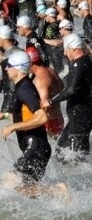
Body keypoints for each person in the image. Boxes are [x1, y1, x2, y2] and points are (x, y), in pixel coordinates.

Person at [43, 34, 92, 162]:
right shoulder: (89, 63)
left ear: (72, 48)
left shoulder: (79, 64)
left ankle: (90, 179)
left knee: (75, 159)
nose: (65, 54)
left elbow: (71, 90)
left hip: (79, 118)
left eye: (65, 50)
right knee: (61, 154)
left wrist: (50, 101)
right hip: (81, 117)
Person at [0, 51, 50, 192]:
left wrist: (12, 127)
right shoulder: (22, 87)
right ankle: (57, 190)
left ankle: (59, 189)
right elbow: (22, 114)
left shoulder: (25, 89)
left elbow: (42, 117)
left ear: (18, 68)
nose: (5, 69)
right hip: (38, 148)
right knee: (26, 190)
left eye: (9, 66)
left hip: (36, 148)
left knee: (9, 181)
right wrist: (4, 116)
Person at [27, 46, 65, 139]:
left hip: (48, 123)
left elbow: (45, 105)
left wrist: (32, 124)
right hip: (58, 119)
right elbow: (62, 87)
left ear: (30, 63)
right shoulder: (51, 70)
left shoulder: (40, 79)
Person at [0, 25, 21, 113]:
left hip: (12, 95)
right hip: (17, 92)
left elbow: (11, 82)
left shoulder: (8, 56)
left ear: (4, 39)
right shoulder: (18, 50)